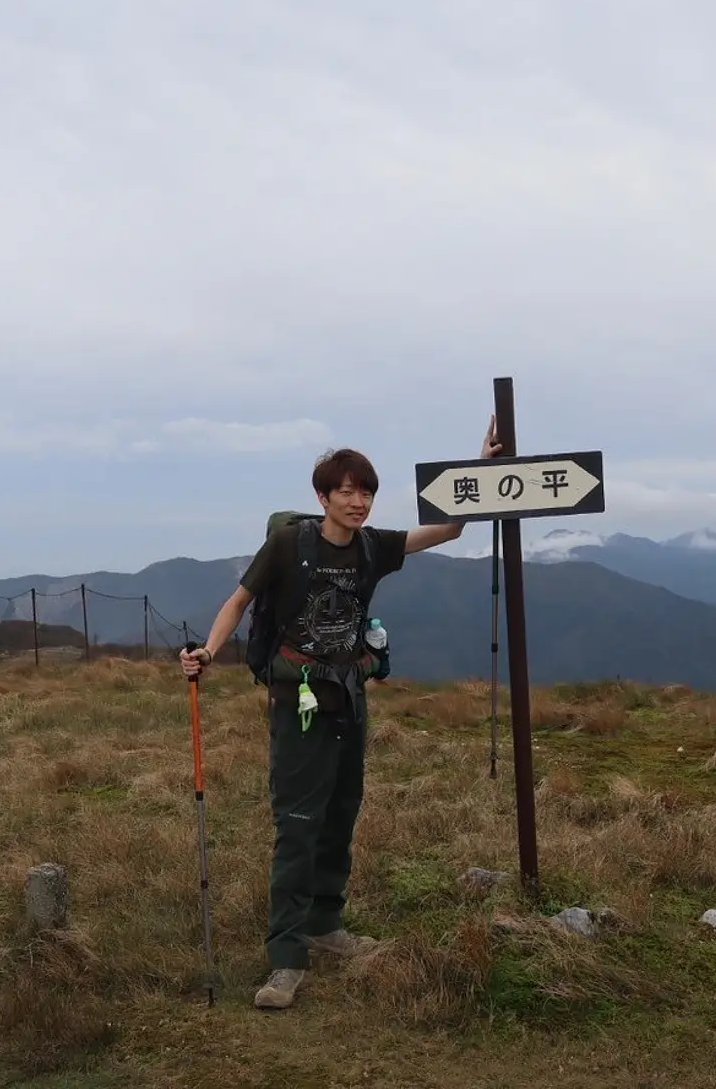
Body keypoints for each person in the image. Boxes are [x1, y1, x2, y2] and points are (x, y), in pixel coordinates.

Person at [179, 419, 502, 1010]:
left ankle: (326, 925)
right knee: (299, 822)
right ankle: (285, 959)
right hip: (298, 703)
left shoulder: (373, 547)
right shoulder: (289, 546)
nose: (358, 502)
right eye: (346, 491)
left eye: (366, 492)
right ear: (322, 497)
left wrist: (481, 466)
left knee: (341, 813)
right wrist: (208, 651)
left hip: (350, 699)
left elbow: (451, 530)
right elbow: (239, 600)